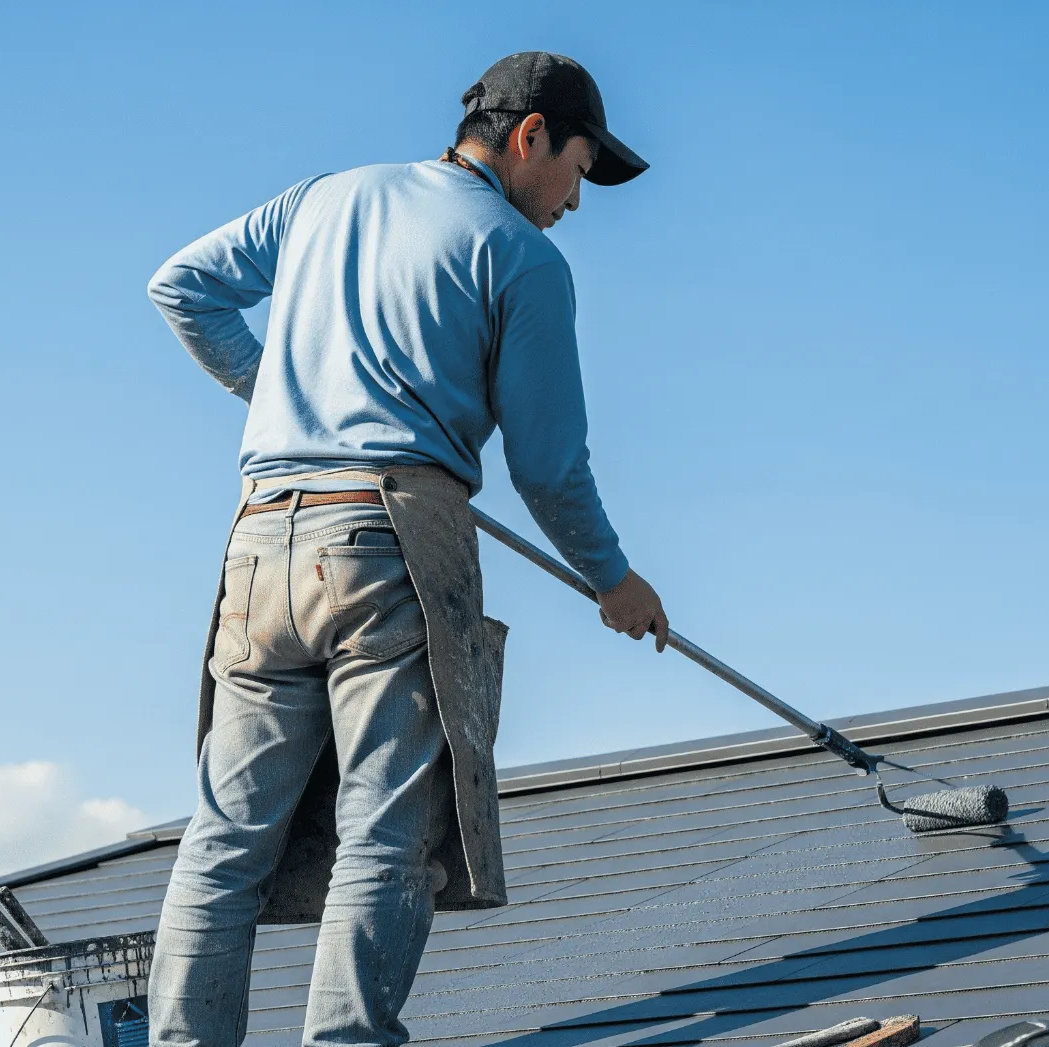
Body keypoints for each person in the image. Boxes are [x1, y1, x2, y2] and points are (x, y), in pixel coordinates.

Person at [144, 51, 666, 1047]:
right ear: (529, 139)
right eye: (579, 169)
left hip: (261, 541)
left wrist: (291, 399)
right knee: (385, 830)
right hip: (390, 543)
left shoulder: (323, 198)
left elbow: (183, 287)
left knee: (225, 837)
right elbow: (550, 469)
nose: (575, 201)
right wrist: (614, 580)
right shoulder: (521, 258)